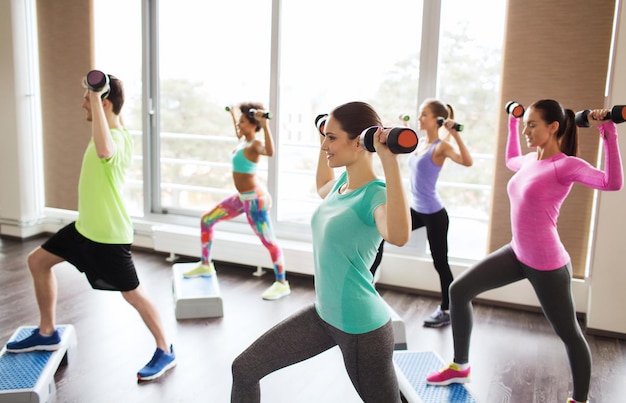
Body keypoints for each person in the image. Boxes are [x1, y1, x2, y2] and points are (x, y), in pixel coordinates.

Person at [426, 100, 623, 403]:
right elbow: (511, 159)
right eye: (526, 124)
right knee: (459, 289)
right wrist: (511, 123)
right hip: (517, 252)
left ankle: (579, 400)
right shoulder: (531, 161)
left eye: (532, 124)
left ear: (553, 127)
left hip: (547, 264)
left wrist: (608, 131)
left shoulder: (566, 165)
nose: (527, 130)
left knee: (569, 333)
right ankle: (460, 366)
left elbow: (612, 183)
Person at [230, 101, 411, 402]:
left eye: (332, 138)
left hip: (361, 329)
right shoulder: (342, 183)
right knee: (244, 369)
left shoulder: (375, 194)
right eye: (325, 136)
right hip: (324, 316)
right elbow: (322, 185)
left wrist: (389, 161)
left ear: (358, 142)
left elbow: (399, 236)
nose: (325, 144)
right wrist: (322, 143)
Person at [5, 72, 176, 381]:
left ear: (104, 102)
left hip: (108, 236)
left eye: (88, 99)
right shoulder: (107, 132)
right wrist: (96, 95)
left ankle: (165, 350)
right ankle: (47, 332)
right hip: (84, 228)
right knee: (38, 261)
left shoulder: (118, 140)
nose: (83, 104)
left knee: (133, 294)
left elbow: (104, 150)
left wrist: (95, 96)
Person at [370, 99, 473, 327]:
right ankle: (368, 289)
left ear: (437, 119)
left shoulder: (441, 146)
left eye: (424, 114)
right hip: (416, 208)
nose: (419, 118)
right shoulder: (421, 144)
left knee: (440, 262)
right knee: (382, 235)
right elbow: (400, 147)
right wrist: (398, 128)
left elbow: (467, 161)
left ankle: (447, 309)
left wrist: (453, 133)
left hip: (434, 213)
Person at [182, 102, 290, 301]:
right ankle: (205, 265)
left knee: (269, 242)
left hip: (255, 201)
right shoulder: (243, 142)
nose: (239, 126)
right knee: (206, 220)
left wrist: (265, 125)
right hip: (242, 199)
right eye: (238, 122)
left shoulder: (255, 145)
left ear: (252, 125)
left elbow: (270, 152)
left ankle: (282, 283)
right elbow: (238, 133)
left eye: (242, 122)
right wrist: (233, 115)